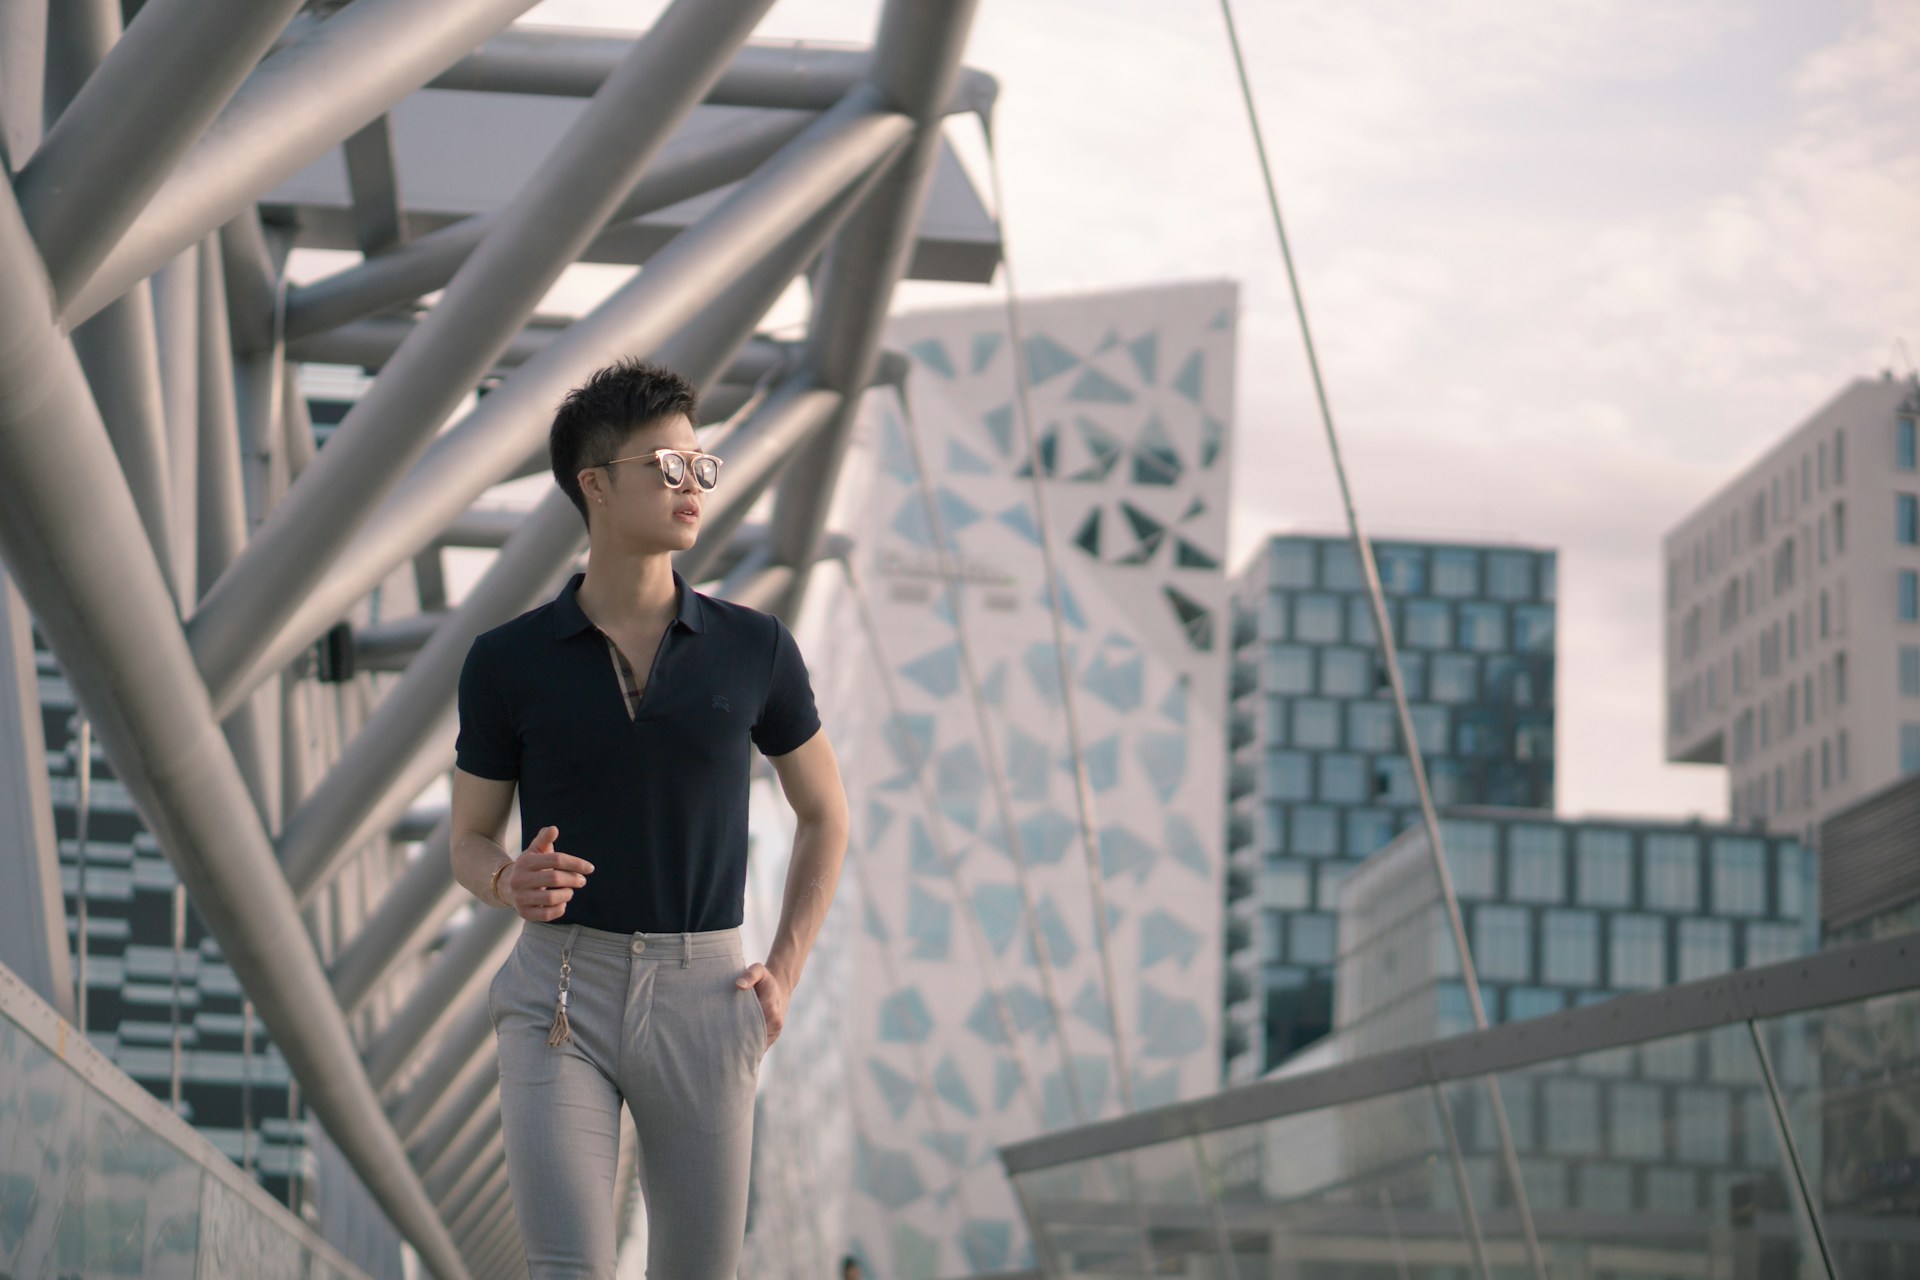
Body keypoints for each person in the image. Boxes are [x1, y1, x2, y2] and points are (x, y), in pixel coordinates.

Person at [449, 359, 849, 1278]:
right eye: (665, 466)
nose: (691, 484)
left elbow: (825, 814)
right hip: (558, 992)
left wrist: (783, 970)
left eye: (698, 466)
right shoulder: (506, 662)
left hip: (709, 999)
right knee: (567, 1269)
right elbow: (467, 840)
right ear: (594, 485)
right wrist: (506, 879)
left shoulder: (756, 648)